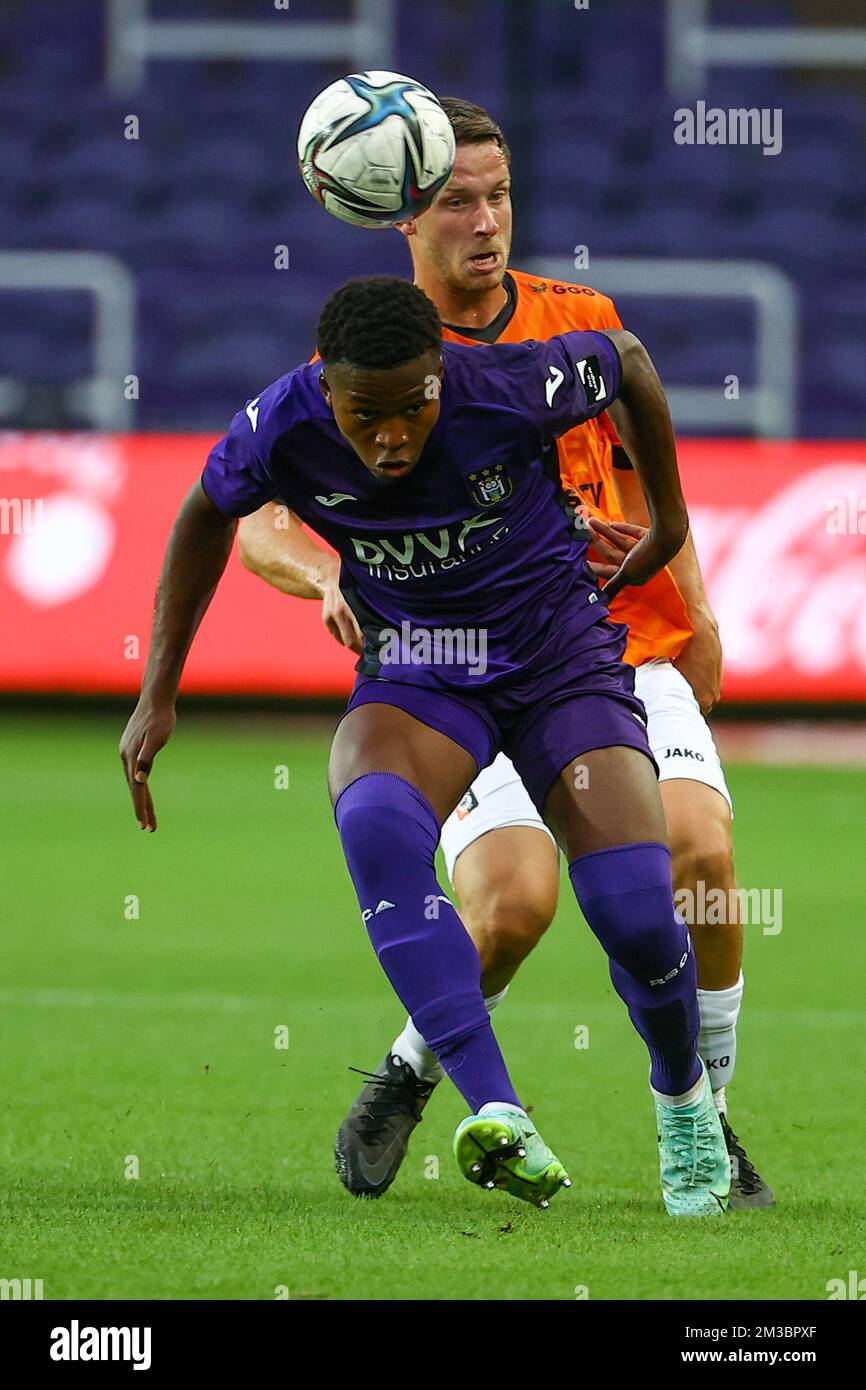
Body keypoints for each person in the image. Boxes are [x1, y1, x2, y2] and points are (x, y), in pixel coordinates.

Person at [238, 98, 771, 1209]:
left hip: (616, 642)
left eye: (500, 194)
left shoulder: (579, 317)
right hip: (461, 658)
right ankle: (410, 1070)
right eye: (457, 201)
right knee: (514, 905)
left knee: (700, 864)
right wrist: (326, 573)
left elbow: (642, 470)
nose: (486, 221)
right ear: (400, 217)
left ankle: (705, 1120)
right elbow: (253, 514)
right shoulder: (377, 352)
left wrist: (697, 603)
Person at [120, 274, 729, 1216]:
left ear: (444, 374)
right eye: (369, 415)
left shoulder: (513, 382)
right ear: (329, 391)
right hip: (423, 667)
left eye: (416, 406)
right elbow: (207, 514)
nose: (395, 435)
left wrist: (670, 529)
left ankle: (685, 1099)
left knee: (639, 914)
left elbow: (633, 363)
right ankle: (498, 1110)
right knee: (373, 819)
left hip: (557, 657)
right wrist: (159, 694)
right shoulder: (282, 423)